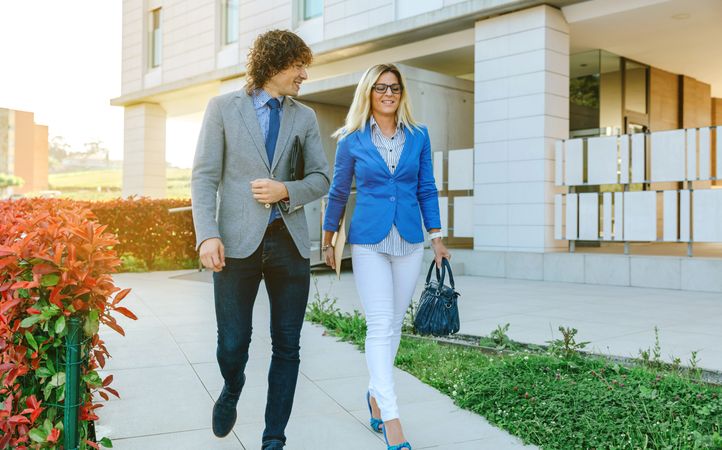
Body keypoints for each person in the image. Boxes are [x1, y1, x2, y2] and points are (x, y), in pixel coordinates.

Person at [191, 29, 330, 450]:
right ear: (274, 63)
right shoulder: (221, 108)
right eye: (298, 65)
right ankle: (232, 386)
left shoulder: (303, 117)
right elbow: (204, 177)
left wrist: (286, 190)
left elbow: (321, 177)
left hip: (289, 244)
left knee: (287, 345)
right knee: (233, 343)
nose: (304, 74)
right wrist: (207, 235)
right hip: (235, 244)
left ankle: (274, 439)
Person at [322, 63, 450, 450]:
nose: (388, 93)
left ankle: (376, 394)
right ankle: (391, 418)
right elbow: (338, 193)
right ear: (368, 93)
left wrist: (436, 237)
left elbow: (426, 187)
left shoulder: (419, 135)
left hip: (410, 239)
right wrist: (327, 241)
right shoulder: (351, 140)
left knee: (394, 324)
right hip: (369, 242)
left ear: (402, 92)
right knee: (379, 324)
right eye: (380, 88)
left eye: (394, 87)